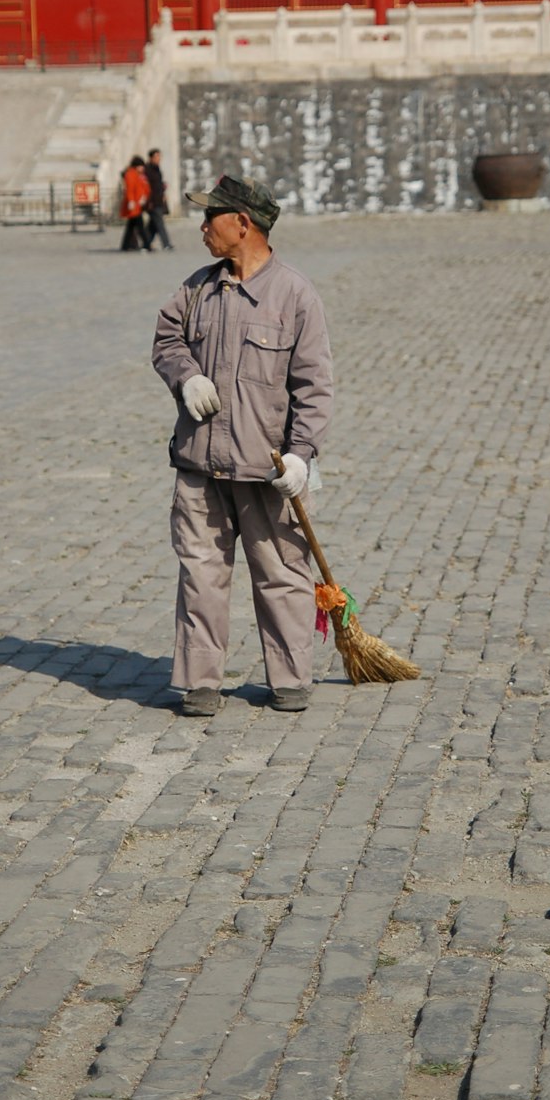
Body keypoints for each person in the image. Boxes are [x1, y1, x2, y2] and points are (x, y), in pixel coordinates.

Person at [151, 173, 332, 716]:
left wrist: (302, 454)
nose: (202, 227)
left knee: (281, 574)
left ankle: (290, 676)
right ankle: (202, 681)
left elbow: (314, 385)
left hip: (267, 470)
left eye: (211, 217)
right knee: (201, 574)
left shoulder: (295, 295)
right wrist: (185, 376)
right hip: (200, 465)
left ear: (243, 223)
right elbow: (166, 338)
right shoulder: (197, 288)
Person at [143, 149, 174, 252]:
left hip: (159, 199)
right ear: (151, 157)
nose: (159, 159)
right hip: (153, 201)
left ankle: (146, 244)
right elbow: (147, 187)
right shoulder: (147, 170)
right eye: (157, 157)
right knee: (159, 223)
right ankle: (166, 243)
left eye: (159, 156)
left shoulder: (157, 169)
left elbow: (157, 184)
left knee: (153, 225)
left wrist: (163, 189)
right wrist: (149, 201)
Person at [119, 155, 150, 251]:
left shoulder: (138, 174)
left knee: (130, 227)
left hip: (137, 205)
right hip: (134, 205)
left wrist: (144, 197)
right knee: (140, 227)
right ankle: (146, 245)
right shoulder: (130, 174)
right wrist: (131, 200)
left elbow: (145, 187)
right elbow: (130, 189)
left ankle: (125, 246)